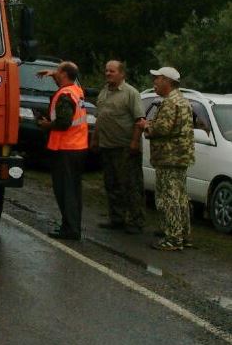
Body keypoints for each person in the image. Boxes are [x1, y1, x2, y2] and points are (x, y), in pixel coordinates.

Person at [140, 66, 194, 251]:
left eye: (157, 79)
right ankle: (183, 234)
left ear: (167, 81)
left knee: (167, 197)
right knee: (180, 197)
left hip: (169, 157)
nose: (154, 82)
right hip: (180, 157)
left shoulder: (171, 103)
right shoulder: (183, 101)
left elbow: (163, 128)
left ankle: (173, 238)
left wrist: (146, 126)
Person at [36, 61, 88, 240]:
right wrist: (52, 73)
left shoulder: (65, 95)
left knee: (66, 191)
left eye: (58, 71)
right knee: (73, 190)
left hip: (66, 148)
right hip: (76, 147)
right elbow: (65, 77)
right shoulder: (76, 90)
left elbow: (63, 123)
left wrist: (45, 125)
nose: (55, 74)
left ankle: (71, 229)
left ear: (64, 74)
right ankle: (71, 226)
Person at [95, 60, 146, 234]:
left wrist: (134, 142)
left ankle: (136, 220)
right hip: (107, 146)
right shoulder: (104, 92)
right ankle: (117, 218)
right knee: (111, 184)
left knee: (130, 185)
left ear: (122, 74)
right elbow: (100, 117)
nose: (108, 73)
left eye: (112, 71)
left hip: (125, 147)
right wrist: (95, 139)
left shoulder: (130, 93)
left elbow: (140, 120)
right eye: (107, 70)